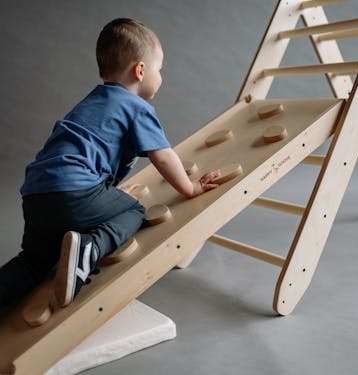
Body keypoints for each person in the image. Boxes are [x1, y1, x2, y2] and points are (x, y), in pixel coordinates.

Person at [0, 18, 220, 309]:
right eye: (160, 69)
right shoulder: (136, 107)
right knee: (134, 211)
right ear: (141, 70)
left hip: (36, 195)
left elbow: (91, 154)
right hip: (74, 192)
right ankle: (89, 250)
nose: (161, 76)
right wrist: (189, 188)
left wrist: (106, 198)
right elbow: (163, 155)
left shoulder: (93, 101)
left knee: (32, 262)